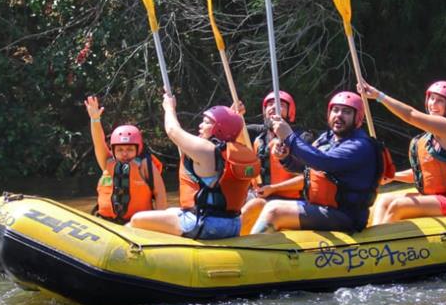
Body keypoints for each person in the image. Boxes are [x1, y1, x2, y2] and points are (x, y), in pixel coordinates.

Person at [248, 91, 381, 234]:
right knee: (258, 206)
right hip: (321, 207)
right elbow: (306, 168)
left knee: (274, 210)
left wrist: (289, 137)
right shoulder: (327, 139)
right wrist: (286, 158)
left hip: (345, 215)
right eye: (335, 110)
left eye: (346, 112)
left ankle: (251, 247)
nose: (339, 115)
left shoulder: (359, 145)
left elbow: (324, 162)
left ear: (358, 118)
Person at [129, 95, 259, 240]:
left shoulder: (207, 150)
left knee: (136, 219)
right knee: (171, 211)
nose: (200, 126)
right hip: (233, 224)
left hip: (205, 225)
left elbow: (172, 130)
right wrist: (230, 117)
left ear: (219, 128)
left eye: (206, 123)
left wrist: (169, 108)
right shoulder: (239, 151)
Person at [358, 80, 446, 224]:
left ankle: (385, 238)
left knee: (398, 206)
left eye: (440, 101)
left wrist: (379, 96)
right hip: (435, 198)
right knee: (384, 200)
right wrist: (393, 176)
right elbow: (426, 174)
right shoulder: (428, 137)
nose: (433, 104)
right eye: (432, 98)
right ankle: (377, 237)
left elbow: (410, 115)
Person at [85, 96, 167, 224]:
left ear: (138, 149)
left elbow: (160, 194)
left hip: (136, 224)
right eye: (120, 149)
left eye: (129, 149)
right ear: (113, 150)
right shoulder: (107, 162)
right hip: (106, 222)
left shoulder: (145, 165)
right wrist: (95, 119)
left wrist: (160, 223)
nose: (124, 153)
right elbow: (98, 142)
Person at [240, 91, 307, 234]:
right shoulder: (259, 138)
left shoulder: (301, 139)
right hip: (261, 195)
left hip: (290, 201)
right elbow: (233, 131)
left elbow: (308, 179)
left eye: (280, 105)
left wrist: (274, 188)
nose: (273, 107)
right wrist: (234, 115)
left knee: (254, 205)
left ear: (290, 112)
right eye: (269, 104)